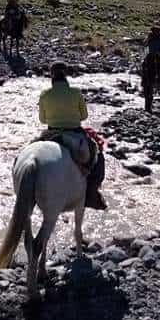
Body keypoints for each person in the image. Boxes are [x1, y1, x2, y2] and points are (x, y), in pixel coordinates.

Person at [38, 61, 107, 210]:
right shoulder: (76, 92)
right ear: (65, 75)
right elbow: (84, 116)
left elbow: (42, 120)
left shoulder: (44, 94)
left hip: (51, 133)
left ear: (51, 76)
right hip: (75, 132)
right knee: (96, 153)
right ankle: (91, 194)